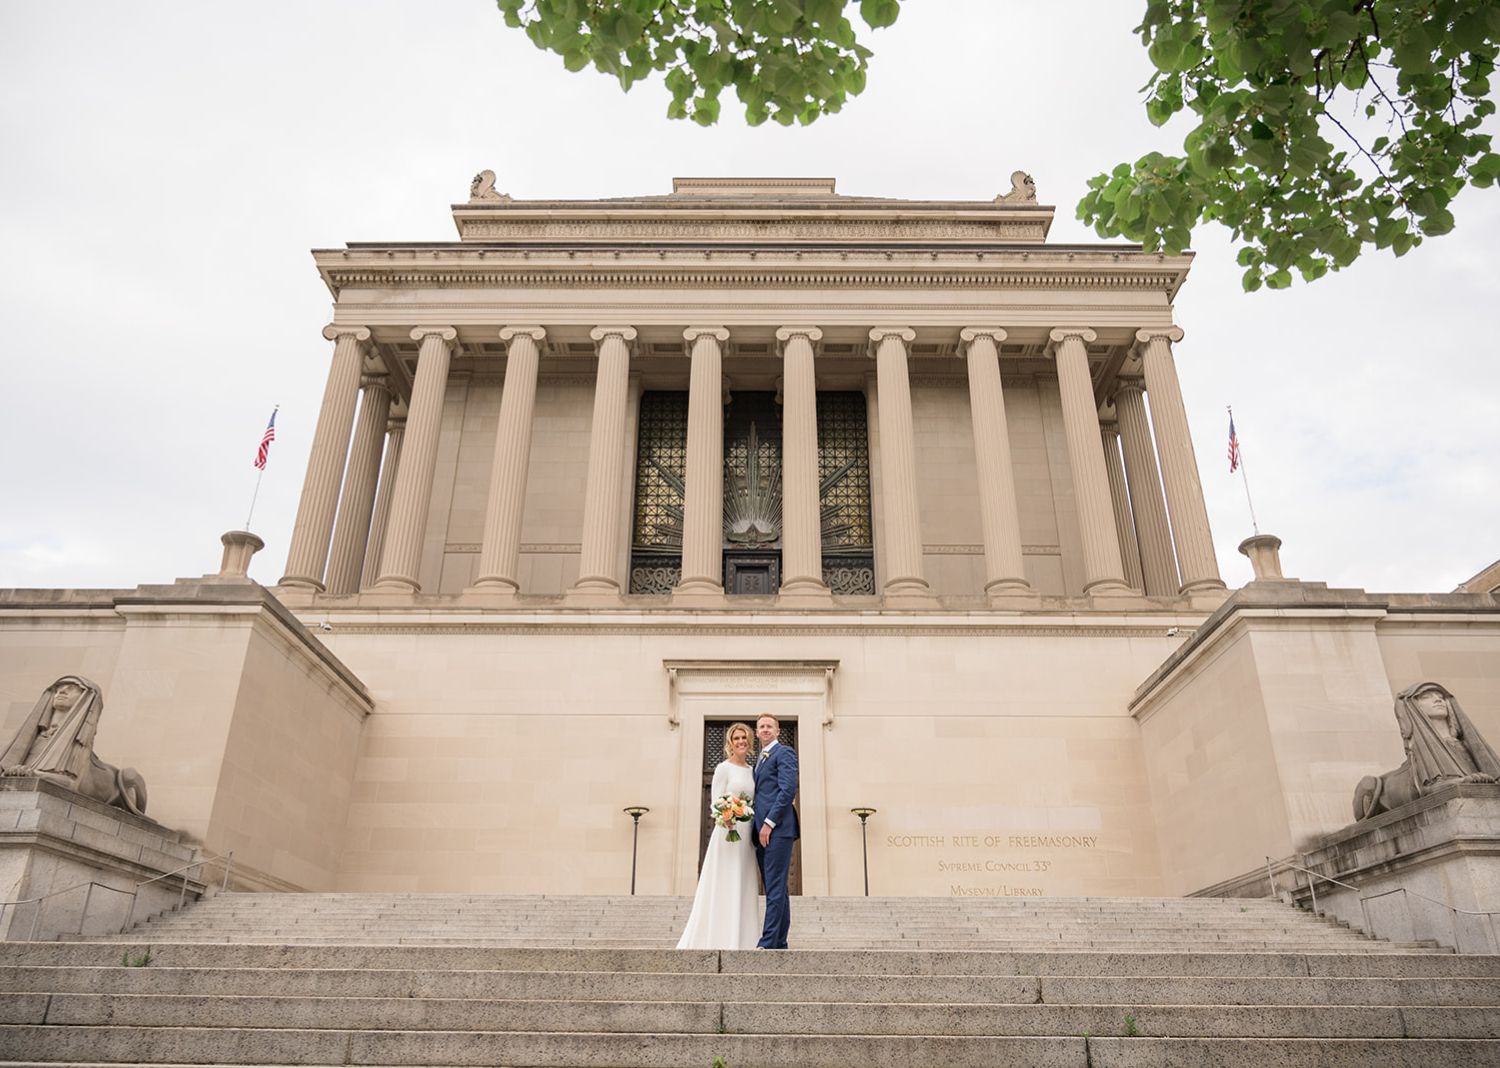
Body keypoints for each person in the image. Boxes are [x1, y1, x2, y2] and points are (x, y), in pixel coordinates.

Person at [1354, 681, 1500, 819]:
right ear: (1414, 706)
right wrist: (1462, 781)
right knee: (1368, 783)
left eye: (1441, 697)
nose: (1438, 700)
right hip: (1384, 797)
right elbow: (1430, 790)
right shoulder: (1423, 759)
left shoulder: (1466, 747)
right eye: (1426, 697)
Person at [675, 722, 760, 950]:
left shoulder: (753, 771)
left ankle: (744, 938)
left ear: (750, 741)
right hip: (728, 833)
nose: (741, 742)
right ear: (730, 743)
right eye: (736, 738)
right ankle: (718, 936)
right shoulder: (723, 767)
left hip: (747, 834)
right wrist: (728, 817)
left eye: (744, 738)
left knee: (743, 880)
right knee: (725, 878)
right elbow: (716, 802)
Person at [752, 712, 799, 949]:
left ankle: (767, 942)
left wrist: (769, 822)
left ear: (777, 731)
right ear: (757, 732)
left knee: (774, 886)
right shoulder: (759, 759)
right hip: (761, 831)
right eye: (762, 726)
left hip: (777, 830)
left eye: (770, 726)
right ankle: (779, 941)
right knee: (777, 887)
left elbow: (787, 790)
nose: (766, 729)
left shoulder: (785, 752)